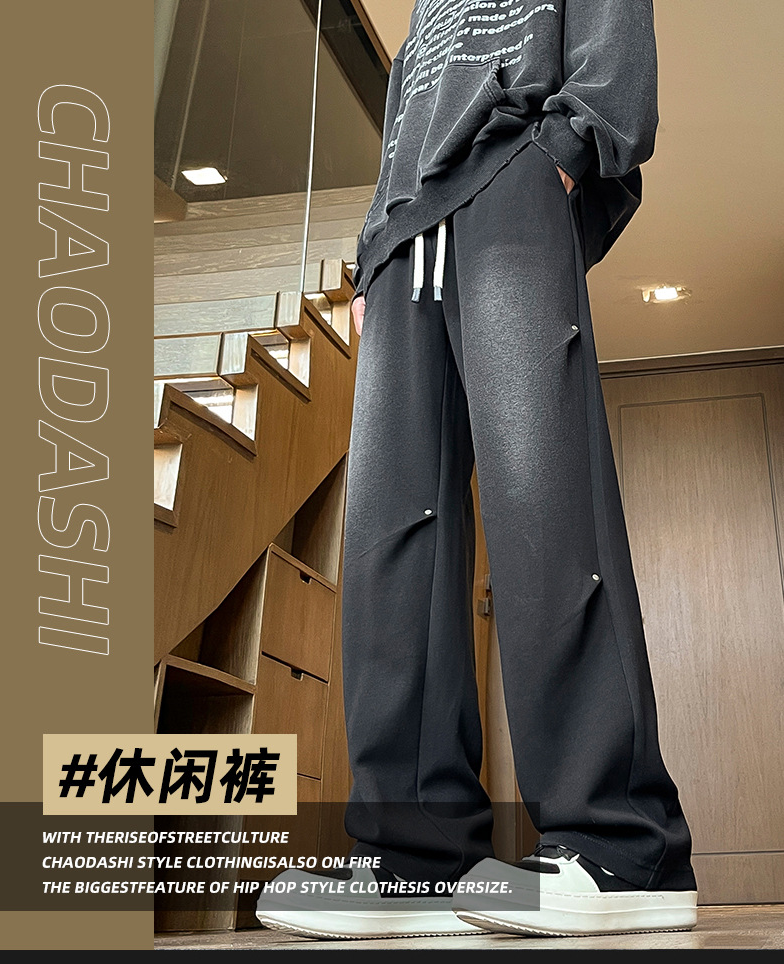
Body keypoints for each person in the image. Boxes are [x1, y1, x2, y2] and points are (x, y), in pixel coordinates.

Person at [256, 0, 698, 940]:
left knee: (543, 501)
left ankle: (624, 842)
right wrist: (374, 245)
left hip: (510, 173)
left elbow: (614, 45)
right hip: (400, 238)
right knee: (387, 543)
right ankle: (413, 855)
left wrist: (566, 150)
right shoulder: (427, 13)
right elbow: (404, 125)